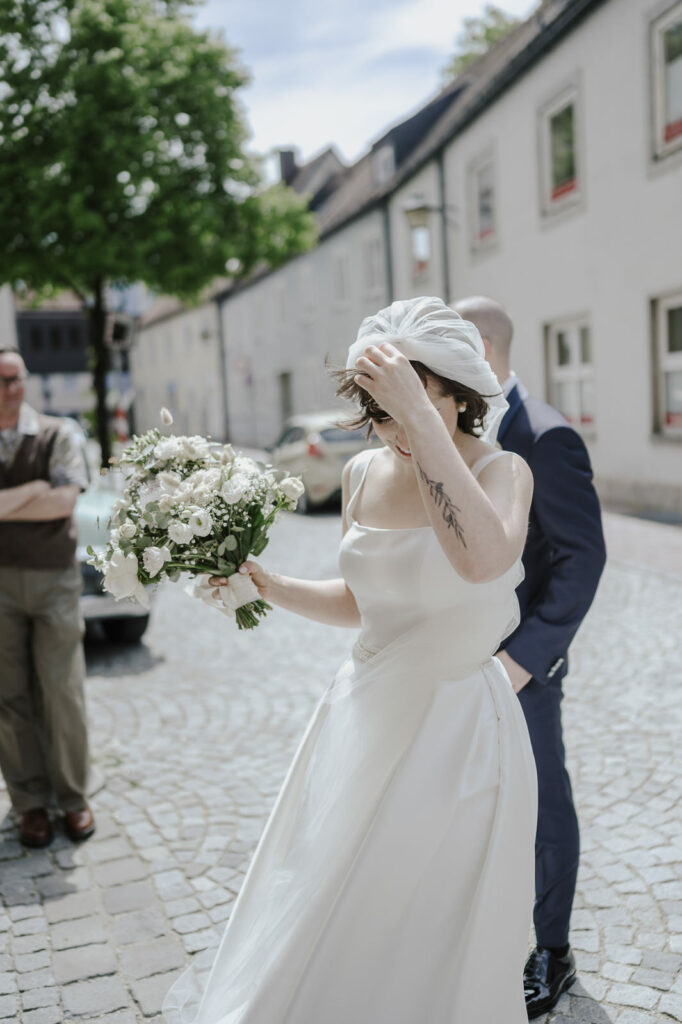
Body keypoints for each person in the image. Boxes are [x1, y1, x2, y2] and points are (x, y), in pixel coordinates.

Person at [163, 297, 537, 1024]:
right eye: (381, 410)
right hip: (363, 717)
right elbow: (363, 599)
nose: (392, 428)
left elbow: (482, 562)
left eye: (409, 403)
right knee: (335, 905)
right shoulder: (363, 475)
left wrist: (425, 426)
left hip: (457, 734)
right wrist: (269, 584)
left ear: (457, 394)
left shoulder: (503, 472)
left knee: (432, 919)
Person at [453, 296, 606, 1019]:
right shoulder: (451, 435)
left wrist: (523, 661)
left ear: (480, 347)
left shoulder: (545, 435)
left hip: (521, 670)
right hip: (450, 658)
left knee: (545, 804)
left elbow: (582, 560)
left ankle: (553, 950)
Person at [0, 347, 95, 847]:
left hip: (54, 578)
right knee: (9, 695)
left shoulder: (59, 433)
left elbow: (64, 499)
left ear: (26, 381)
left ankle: (74, 799)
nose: (9, 388)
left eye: (15, 378)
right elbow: (46, 498)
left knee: (62, 690)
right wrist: (30, 492)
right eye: (1, 380)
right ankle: (30, 804)